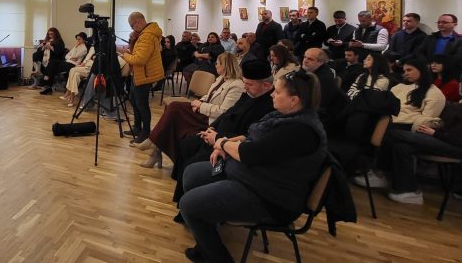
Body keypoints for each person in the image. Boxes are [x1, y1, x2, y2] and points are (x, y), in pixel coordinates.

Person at [179, 70, 327, 262]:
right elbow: (253, 138)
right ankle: (206, 239)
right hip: (253, 178)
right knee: (192, 174)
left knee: (188, 205)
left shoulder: (301, 131)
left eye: (278, 92)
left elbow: (250, 154)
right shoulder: (287, 116)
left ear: (294, 100)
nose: (272, 94)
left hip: (270, 197)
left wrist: (221, 143)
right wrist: (225, 145)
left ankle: (217, 257)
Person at [363, 68, 462, 205]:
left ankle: (379, 172)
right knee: (402, 146)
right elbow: (451, 128)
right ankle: (409, 190)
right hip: (448, 141)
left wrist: (436, 134)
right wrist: (435, 129)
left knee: (393, 133)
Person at [169, 59, 274, 221]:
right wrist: (212, 128)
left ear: (266, 85)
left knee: (193, 164)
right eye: (245, 83)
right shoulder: (250, 93)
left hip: (230, 145)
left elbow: (250, 136)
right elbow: (228, 113)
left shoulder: (269, 105)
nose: (245, 87)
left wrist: (218, 139)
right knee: (187, 144)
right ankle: (183, 200)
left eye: (249, 84)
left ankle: (192, 209)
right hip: (218, 135)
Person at [135, 53, 244, 168]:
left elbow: (223, 112)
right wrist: (199, 102)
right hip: (204, 111)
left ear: (225, 65)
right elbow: (209, 96)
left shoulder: (236, 85)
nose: (215, 65)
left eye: (218, 63)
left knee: (174, 108)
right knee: (173, 110)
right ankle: (154, 150)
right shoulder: (221, 78)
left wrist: (200, 105)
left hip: (211, 119)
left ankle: (153, 143)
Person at [119, 12, 164, 144]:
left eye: (132, 26)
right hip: (139, 73)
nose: (132, 29)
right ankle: (137, 127)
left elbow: (139, 59)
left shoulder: (147, 36)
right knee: (133, 99)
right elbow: (137, 53)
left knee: (142, 104)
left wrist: (124, 55)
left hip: (145, 74)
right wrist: (132, 41)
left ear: (138, 22)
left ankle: (145, 132)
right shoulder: (143, 35)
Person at [390, 59, 446, 131]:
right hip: (387, 118)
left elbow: (425, 121)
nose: (405, 74)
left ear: (421, 70)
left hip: (404, 126)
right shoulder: (400, 86)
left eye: (409, 70)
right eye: (404, 71)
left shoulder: (435, 93)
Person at [33, 27, 66, 95]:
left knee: (50, 65)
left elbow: (59, 52)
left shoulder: (59, 41)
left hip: (55, 59)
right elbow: (39, 49)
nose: (50, 35)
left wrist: (50, 47)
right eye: (49, 34)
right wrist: (43, 47)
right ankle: (37, 68)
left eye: (52, 34)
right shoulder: (47, 40)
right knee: (35, 54)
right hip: (46, 58)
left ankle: (47, 87)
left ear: (55, 34)